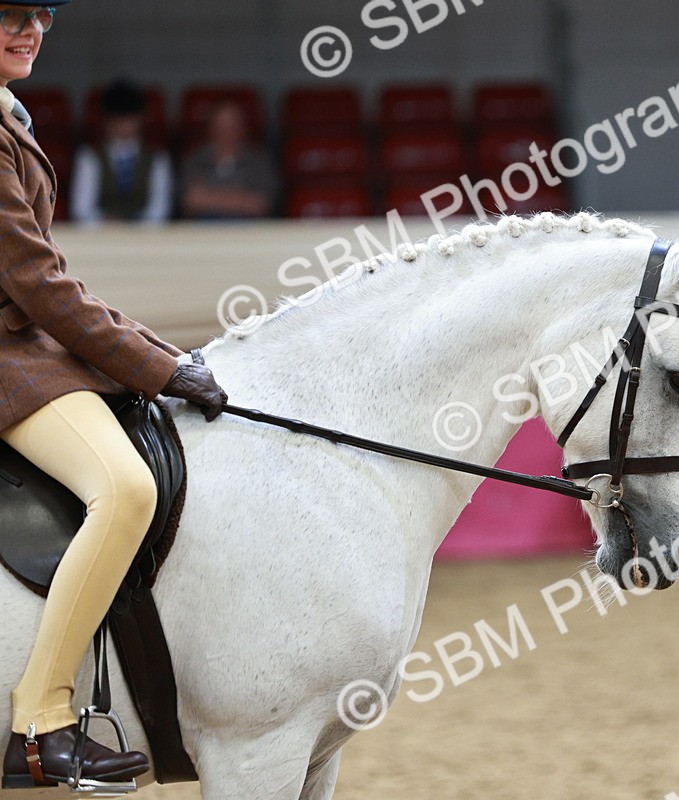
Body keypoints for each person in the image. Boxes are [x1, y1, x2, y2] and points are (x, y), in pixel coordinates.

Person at [0, 1, 227, 789]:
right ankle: (40, 720)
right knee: (125, 488)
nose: (29, 29)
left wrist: (162, 355)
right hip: (6, 355)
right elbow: (38, 286)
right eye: (8, 13)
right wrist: (160, 369)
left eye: (41, 14)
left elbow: (51, 285)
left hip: (24, 345)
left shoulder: (10, 113)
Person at [69, 78, 172, 224]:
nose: (122, 125)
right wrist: (108, 224)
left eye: (128, 119)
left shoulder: (158, 159)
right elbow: (82, 210)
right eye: (117, 119)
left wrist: (133, 228)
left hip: (146, 239)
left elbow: (159, 210)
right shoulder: (89, 158)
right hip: (99, 239)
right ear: (106, 121)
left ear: (140, 119)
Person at [179, 100, 276, 219]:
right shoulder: (195, 161)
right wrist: (241, 198)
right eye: (221, 124)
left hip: (247, 231)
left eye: (232, 124)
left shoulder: (258, 162)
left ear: (243, 127)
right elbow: (191, 201)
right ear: (211, 126)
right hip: (203, 231)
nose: (227, 130)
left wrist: (208, 197)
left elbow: (260, 205)